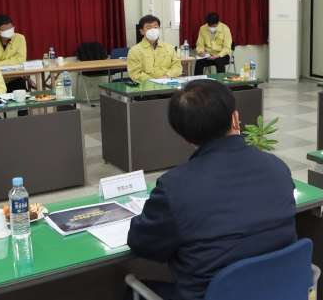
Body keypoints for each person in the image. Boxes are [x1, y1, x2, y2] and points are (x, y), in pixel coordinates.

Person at [126, 80, 297, 300]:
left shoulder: (174, 188)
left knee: (132, 292)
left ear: (185, 137)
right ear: (235, 118)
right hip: (279, 292)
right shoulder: (278, 168)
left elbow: (142, 245)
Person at [0, 14, 28, 116]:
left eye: (11, 27)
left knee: (23, 95)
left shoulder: (20, 38)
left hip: (13, 79)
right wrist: (8, 62)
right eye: (5, 29)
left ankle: (24, 122)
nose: (9, 30)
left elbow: (20, 60)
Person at [127, 15, 183, 82]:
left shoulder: (169, 47)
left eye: (155, 27)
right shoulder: (134, 51)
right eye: (149, 27)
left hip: (168, 84)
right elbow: (135, 74)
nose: (153, 30)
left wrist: (166, 77)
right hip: (146, 88)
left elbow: (177, 67)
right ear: (141, 31)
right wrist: (154, 81)